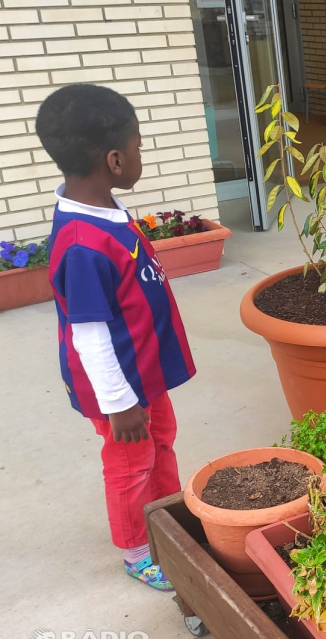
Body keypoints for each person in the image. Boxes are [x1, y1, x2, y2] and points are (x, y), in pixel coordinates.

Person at [36, 84, 196, 590]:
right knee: (131, 461)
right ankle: (136, 550)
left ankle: (168, 519)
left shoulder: (106, 211)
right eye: (139, 147)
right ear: (115, 159)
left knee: (163, 442)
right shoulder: (83, 243)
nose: (140, 155)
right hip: (120, 390)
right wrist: (118, 404)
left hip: (144, 372)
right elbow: (88, 333)